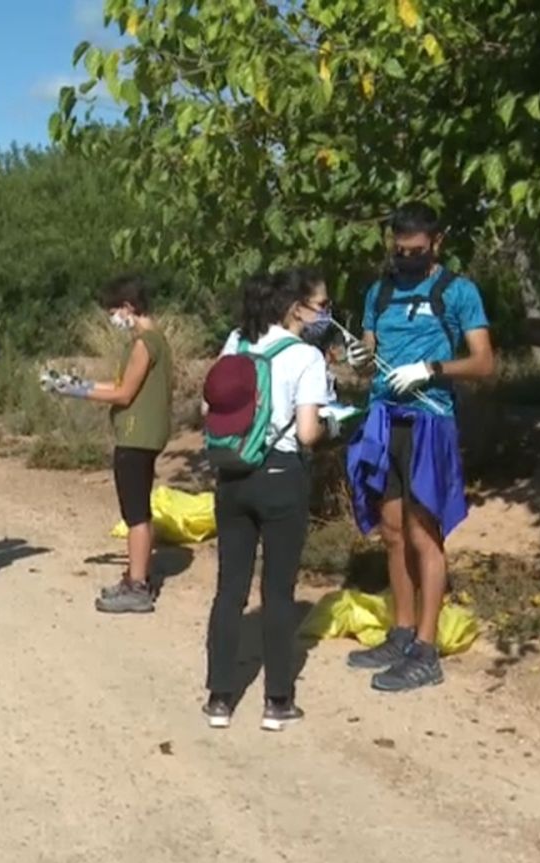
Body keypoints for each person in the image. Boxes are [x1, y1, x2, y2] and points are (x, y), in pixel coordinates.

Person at [342, 201, 494, 692]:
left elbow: (484, 363)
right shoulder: (379, 291)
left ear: (437, 243)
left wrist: (432, 370)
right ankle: (401, 631)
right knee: (390, 531)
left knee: (423, 532)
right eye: (399, 250)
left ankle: (427, 650)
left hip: (430, 421)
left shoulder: (458, 292)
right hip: (384, 418)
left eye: (416, 251)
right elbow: (367, 354)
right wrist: (359, 357)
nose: (406, 258)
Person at [201, 269, 338, 730]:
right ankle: (277, 701)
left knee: (229, 588)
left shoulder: (236, 342)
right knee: (278, 592)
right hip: (281, 475)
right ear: (295, 307)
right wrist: (333, 424)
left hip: (233, 473)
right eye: (320, 306)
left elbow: (210, 408)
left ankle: (219, 698)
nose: (324, 315)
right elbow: (306, 433)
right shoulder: (306, 357)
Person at [45, 275, 173, 614]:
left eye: (114, 310)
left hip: (136, 437)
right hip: (144, 435)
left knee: (135, 513)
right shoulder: (155, 340)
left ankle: (139, 586)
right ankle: (135, 576)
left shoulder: (145, 343)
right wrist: (79, 383)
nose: (112, 317)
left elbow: (124, 393)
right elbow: (120, 385)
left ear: (129, 307)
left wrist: (77, 391)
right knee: (136, 509)